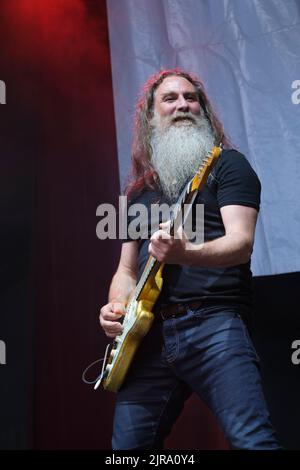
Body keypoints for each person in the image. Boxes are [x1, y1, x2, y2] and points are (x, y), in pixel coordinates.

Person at [99, 69, 281, 450]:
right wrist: (117, 307)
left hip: (214, 324)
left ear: (203, 109)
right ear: (150, 117)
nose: (183, 104)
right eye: (170, 99)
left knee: (253, 441)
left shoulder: (228, 166)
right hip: (147, 338)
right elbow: (126, 270)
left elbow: (241, 243)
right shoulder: (137, 193)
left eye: (190, 98)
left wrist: (186, 252)